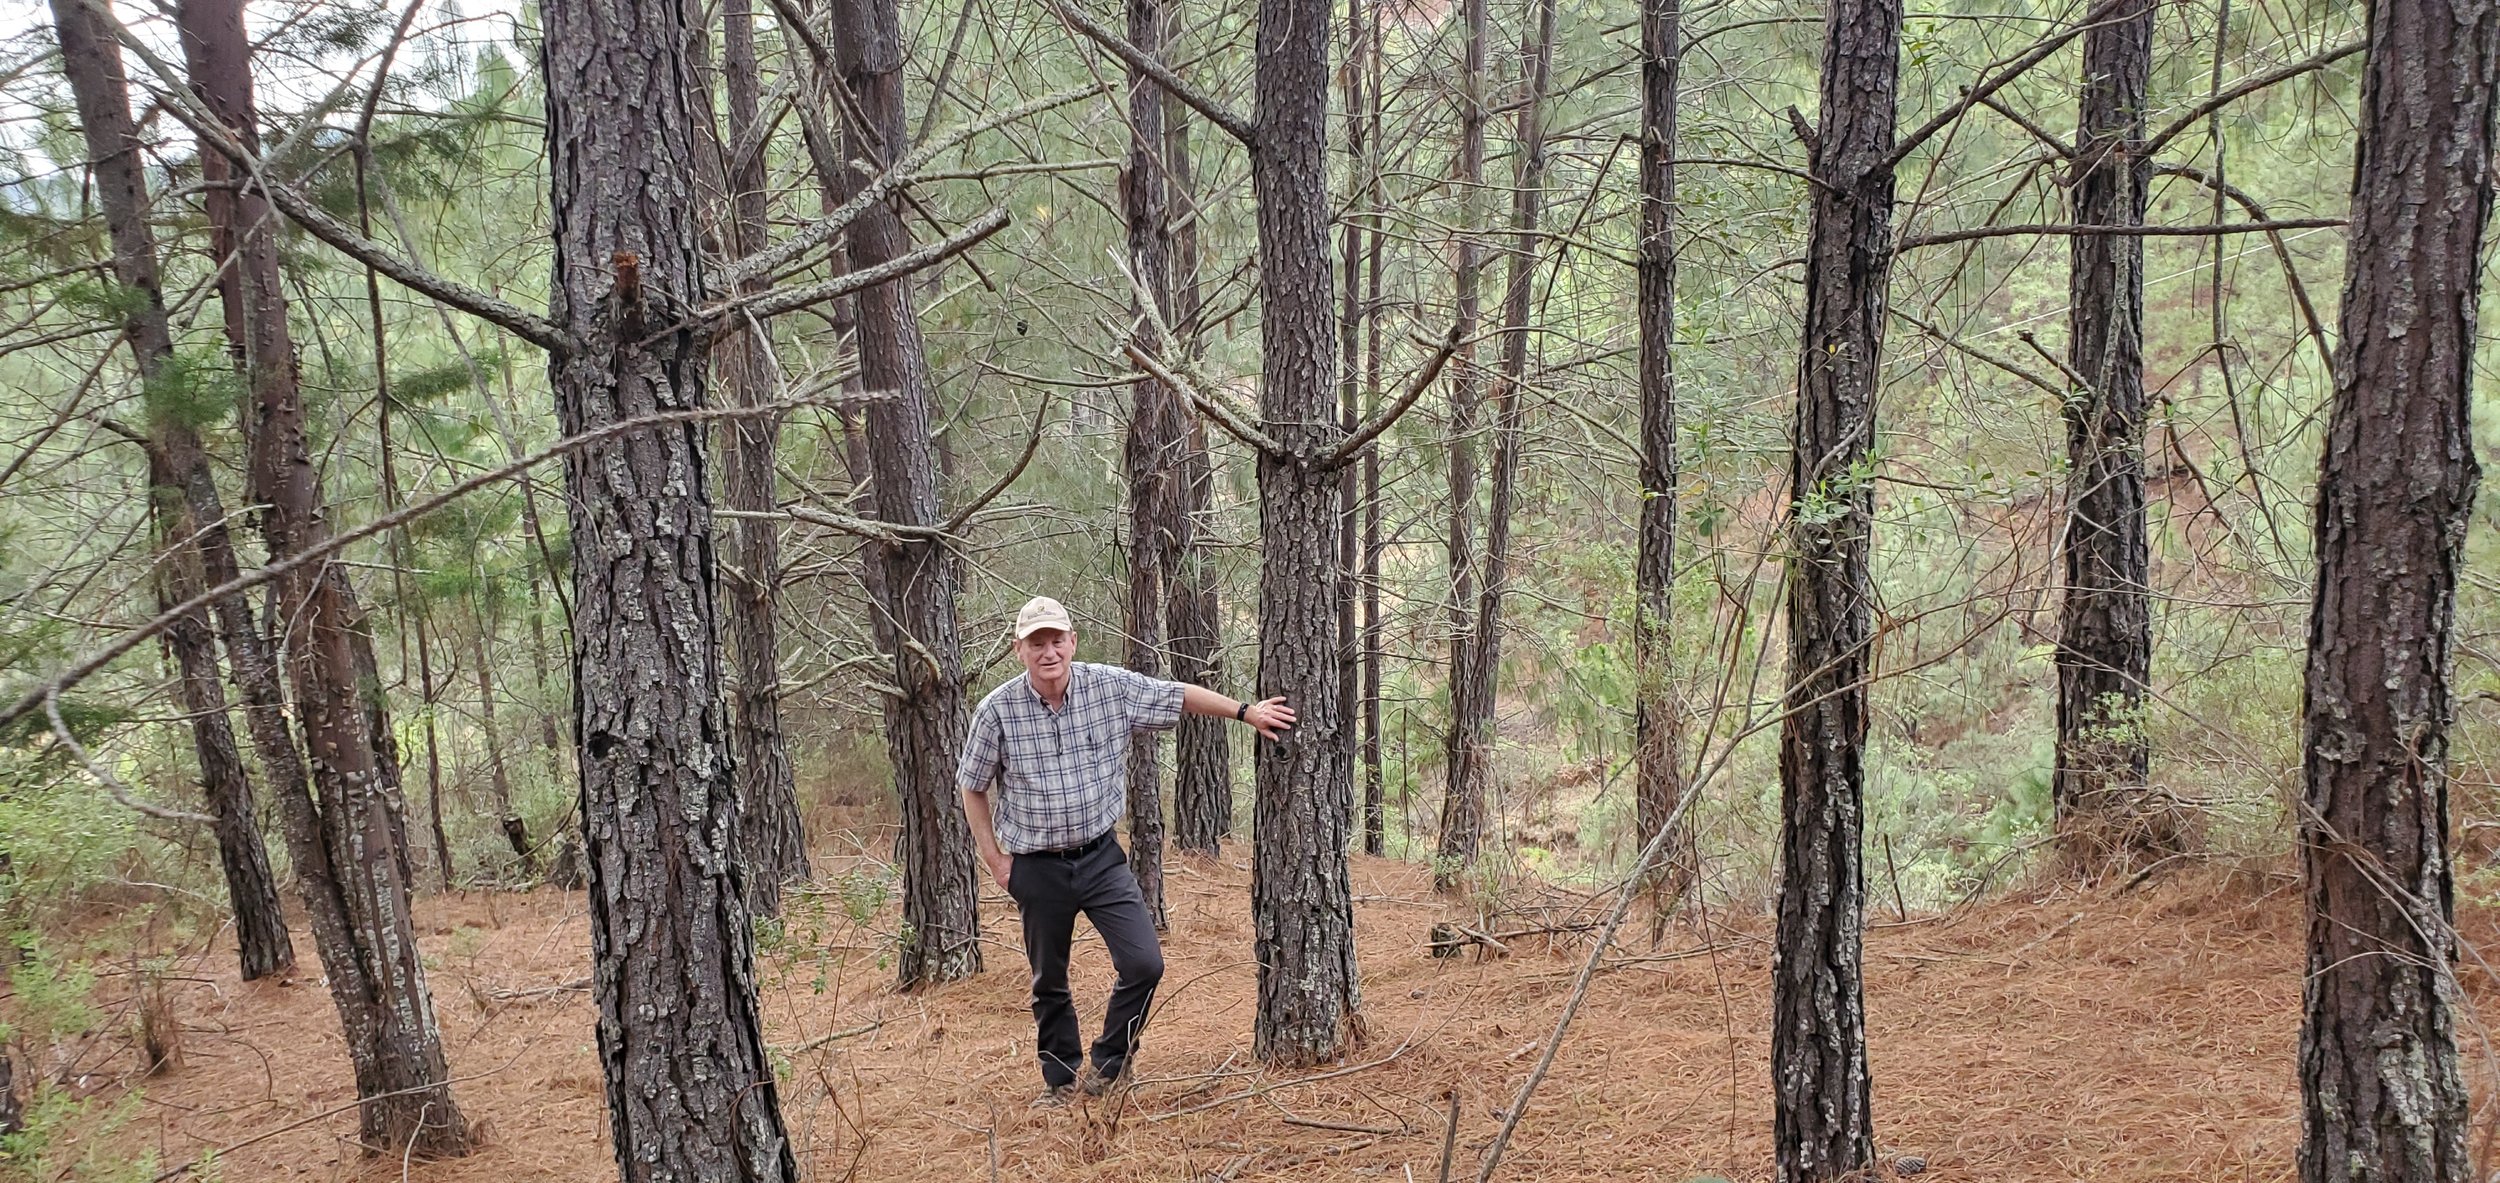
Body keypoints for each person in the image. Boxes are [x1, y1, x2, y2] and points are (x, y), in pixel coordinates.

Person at [958, 595, 1294, 1106]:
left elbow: (1177, 695)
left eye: (1056, 640)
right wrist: (996, 862)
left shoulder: (1109, 687)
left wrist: (1246, 712)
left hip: (1100, 858)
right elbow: (972, 786)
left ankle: (1111, 1064)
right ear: (1019, 651)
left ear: (1072, 643)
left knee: (1144, 964)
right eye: (1036, 643)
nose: (1048, 652)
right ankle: (1060, 1081)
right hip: (1036, 867)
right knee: (1049, 980)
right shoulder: (997, 711)